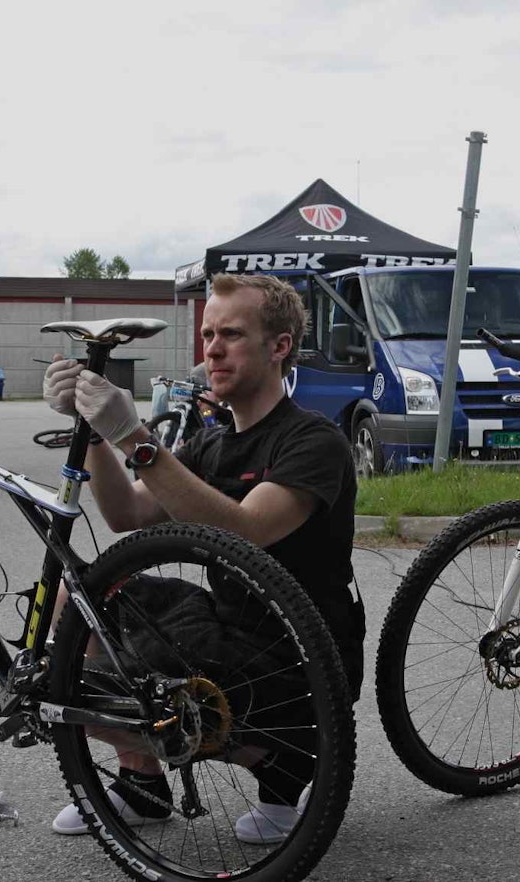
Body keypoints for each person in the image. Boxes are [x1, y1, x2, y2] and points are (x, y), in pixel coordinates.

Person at [41, 272, 364, 844]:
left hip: (301, 658)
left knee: (150, 681)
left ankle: (280, 761)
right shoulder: (212, 440)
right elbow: (130, 516)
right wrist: (92, 431)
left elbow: (246, 532)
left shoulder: (315, 442)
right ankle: (142, 784)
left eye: (231, 334)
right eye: (208, 334)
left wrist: (136, 438)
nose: (211, 348)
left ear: (280, 346)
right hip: (228, 624)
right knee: (80, 601)